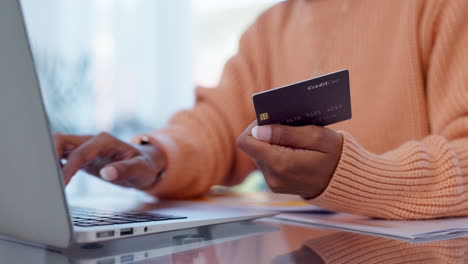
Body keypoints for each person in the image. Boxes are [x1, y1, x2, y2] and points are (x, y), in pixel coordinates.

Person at [54, 0, 468, 220]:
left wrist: (354, 175)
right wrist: (157, 154)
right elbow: (217, 126)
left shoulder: (442, 7)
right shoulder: (270, 27)